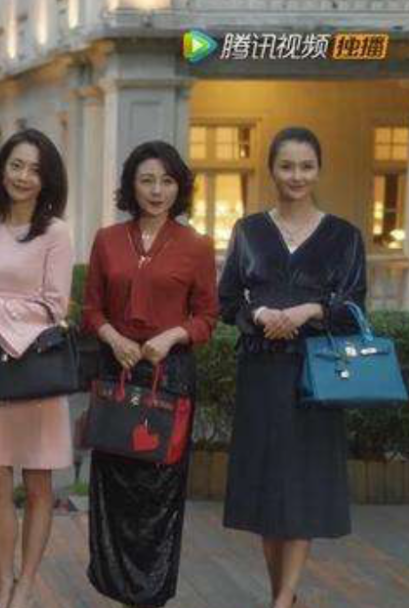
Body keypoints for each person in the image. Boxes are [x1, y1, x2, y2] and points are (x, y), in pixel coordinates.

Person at [219, 127, 366, 608]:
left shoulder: (344, 236)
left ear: (318, 170)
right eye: (287, 166)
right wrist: (261, 313)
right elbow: (227, 300)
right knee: (268, 493)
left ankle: (282, 600)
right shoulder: (248, 231)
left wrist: (309, 311)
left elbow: (353, 307)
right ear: (272, 170)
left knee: (300, 489)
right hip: (260, 372)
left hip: (315, 377)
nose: (296, 176)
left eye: (306, 166)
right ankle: (282, 596)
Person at [82, 140, 218, 608]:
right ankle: (118, 589)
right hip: (117, 370)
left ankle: (151, 594)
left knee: (159, 491)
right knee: (115, 488)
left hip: (170, 375)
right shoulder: (107, 239)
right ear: (131, 186)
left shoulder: (196, 245)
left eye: (166, 181)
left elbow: (208, 317)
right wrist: (113, 337)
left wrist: (173, 335)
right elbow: (91, 309)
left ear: (179, 187)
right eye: (147, 180)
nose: (157, 190)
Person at [0, 128, 74, 608]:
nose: (23, 176)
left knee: (38, 484)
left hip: (36, 370)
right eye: (16, 165)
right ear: (2, 169)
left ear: (47, 179)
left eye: (35, 170)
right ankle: (4, 581)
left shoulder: (56, 233)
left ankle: (26, 584)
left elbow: (55, 307)